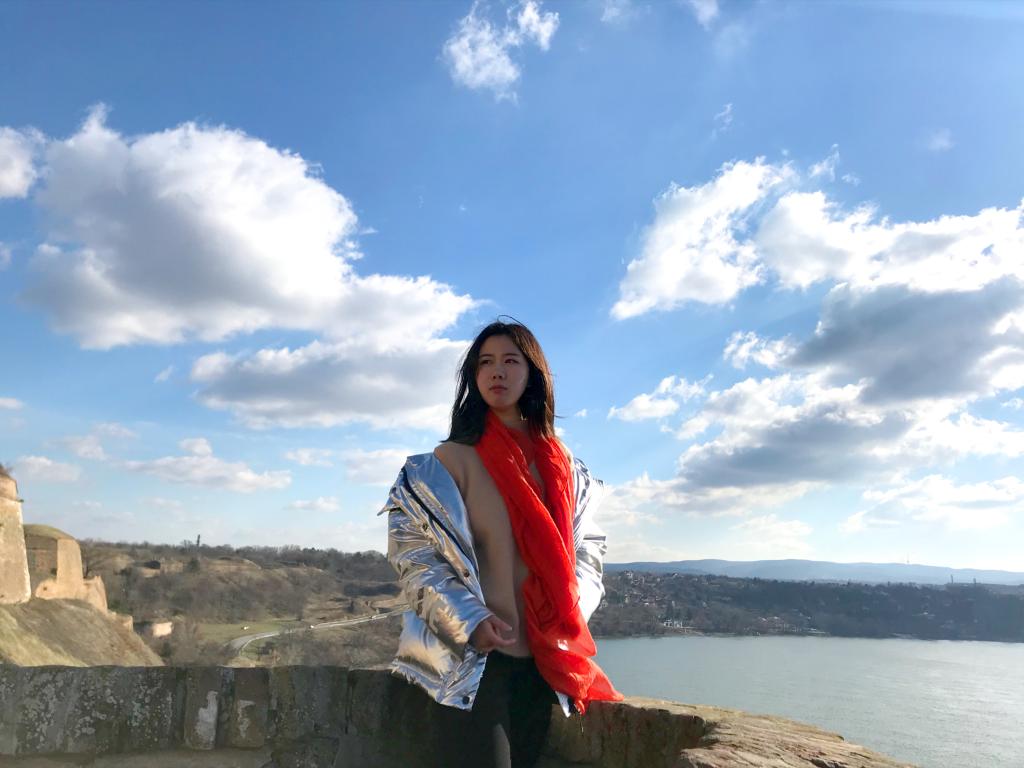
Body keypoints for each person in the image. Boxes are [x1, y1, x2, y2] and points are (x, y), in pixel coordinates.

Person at [382, 319, 622, 768]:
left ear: (533, 374)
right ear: (473, 377)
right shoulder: (446, 464)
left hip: (543, 657)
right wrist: (467, 619)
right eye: (485, 362)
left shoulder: (564, 468)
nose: (497, 371)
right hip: (474, 657)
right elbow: (415, 557)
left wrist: (571, 610)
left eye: (511, 361)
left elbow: (587, 553)